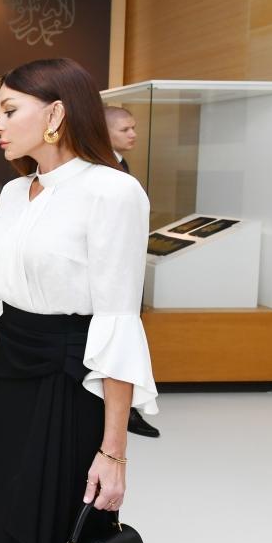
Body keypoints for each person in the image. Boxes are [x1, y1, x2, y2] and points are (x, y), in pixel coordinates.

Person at [0, 58, 158, 543]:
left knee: (54, 526)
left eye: (9, 110)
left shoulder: (113, 192)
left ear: (56, 114)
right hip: (12, 375)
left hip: (71, 383)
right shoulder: (15, 193)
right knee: (5, 516)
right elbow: (6, 306)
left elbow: (118, 320)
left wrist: (114, 452)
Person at [105, 105, 161, 440]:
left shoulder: (121, 164)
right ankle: (122, 413)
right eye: (125, 129)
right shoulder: (105, 167)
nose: (133, 135)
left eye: (134, 128)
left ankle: (128, 410)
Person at [105, 106, 137, 173]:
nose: (133, 134)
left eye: (133, 128)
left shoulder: (118, 160)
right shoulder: (102, 166)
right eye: (124, 130)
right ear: (104, 132)